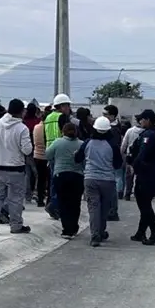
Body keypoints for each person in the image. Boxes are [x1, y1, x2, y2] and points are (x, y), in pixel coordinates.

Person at [0, 98, 34, 235]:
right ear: (21, 111)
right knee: (15, 198)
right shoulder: (22, 128)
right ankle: (16, 225)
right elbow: (27, 150)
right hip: (16, 168)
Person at [75, 115, 123, 247]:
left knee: (93, 208)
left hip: (90, 178)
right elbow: (118, 164)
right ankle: (101, 231)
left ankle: (95, 235)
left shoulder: (87, 143)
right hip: (108, 180)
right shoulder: (112, 145)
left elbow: (78, 158)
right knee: (104, 207)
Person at [127, 109, 155, 245]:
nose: (140, 122)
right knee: (145, 203)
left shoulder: (150, 134)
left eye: (142, 119)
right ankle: (141, 232)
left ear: (148, 119)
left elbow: (142, 153)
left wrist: (134, 166)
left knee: (144, 204)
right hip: (151, 172)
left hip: (146, 172)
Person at [46, 122, 84, 238]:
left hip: (60, 175)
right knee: (75, 203)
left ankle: (66, 229)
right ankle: (74, 227)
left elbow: (47, 155)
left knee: (63, 203)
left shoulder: (58, 142)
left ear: (63, 132)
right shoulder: (82, 144)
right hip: (77, 176)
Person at [42, 93, 73, 218]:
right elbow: (67, 134)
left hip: (50, 150)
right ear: (62, 106)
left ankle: (52, 204)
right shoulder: (62, 117)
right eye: (67, 105)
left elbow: (45, 136)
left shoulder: (48, 117)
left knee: (53, 181)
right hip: (61, 152)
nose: (68, 108)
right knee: (61, 182)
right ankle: (54, 206)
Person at [103, 104, 125, 219]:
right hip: (110, 160)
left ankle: (112, 211)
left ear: (112, 116)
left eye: (105, 114)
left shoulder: (113, 129)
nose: (103, 116)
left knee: (112, 186)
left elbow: (114, 147)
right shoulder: (114, 127)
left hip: (111, 161)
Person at [120, 115, 144, 200]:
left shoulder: (130, 131)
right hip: (141, 157)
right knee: (140, 176)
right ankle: (138, 193)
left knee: (129, 177)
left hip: (130, 157)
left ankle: (127, 193)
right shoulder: (146, 132)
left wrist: (121, 153)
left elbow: (124, 144)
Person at [31, 112, 50, 207]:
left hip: (37, 155)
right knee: (48, 178)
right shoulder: (48, 128)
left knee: (40, 178)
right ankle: (48, 200)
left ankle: (40, 199)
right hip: (46, 155)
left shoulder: (36, 127)